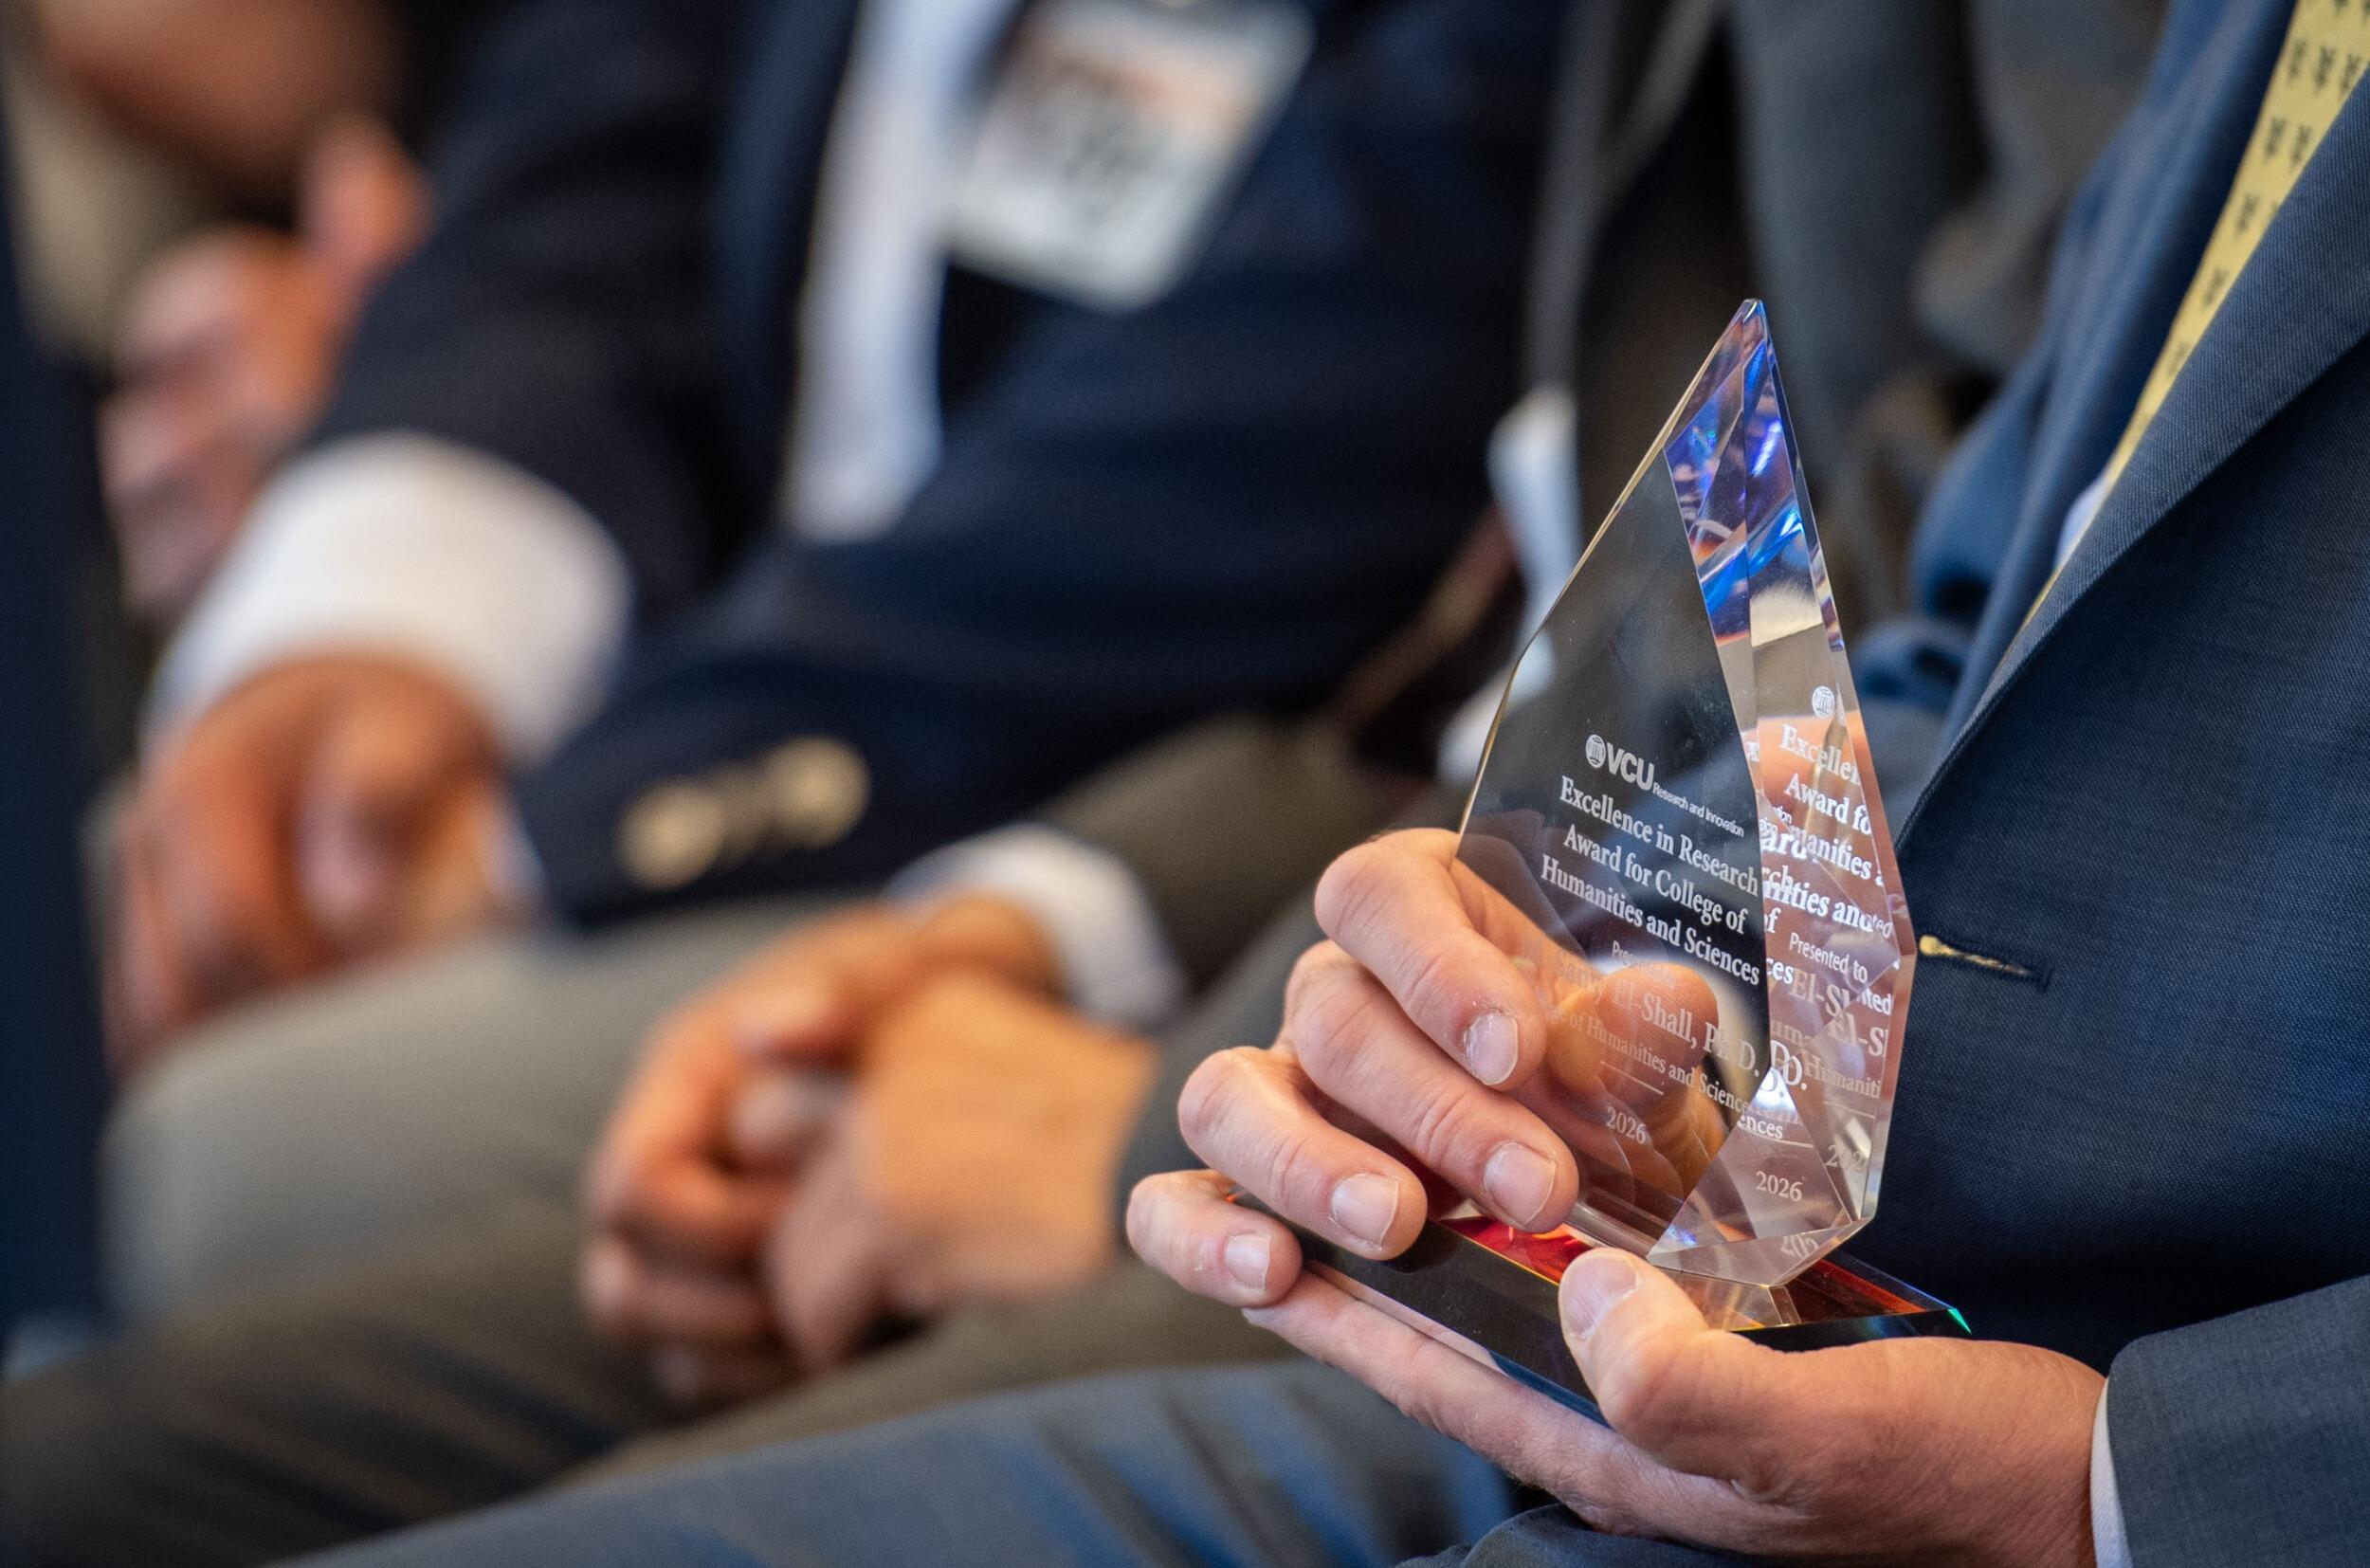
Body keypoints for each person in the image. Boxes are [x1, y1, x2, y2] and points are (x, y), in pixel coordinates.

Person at [125, 0, 2370, 1562]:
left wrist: (2126, 1485)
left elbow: (1318, 423)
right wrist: (1476, 992)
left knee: (231, 1220)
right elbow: (1962, 615)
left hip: (2043, 1390)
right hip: (1678, 1191)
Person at [94, 0, 1567, 1310]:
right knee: (145, 898)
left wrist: (539, 843)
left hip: (1136, 774)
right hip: (719, 644)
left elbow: (1292, 408)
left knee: (227, 1163)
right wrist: (391, 610)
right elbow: (615, 131)